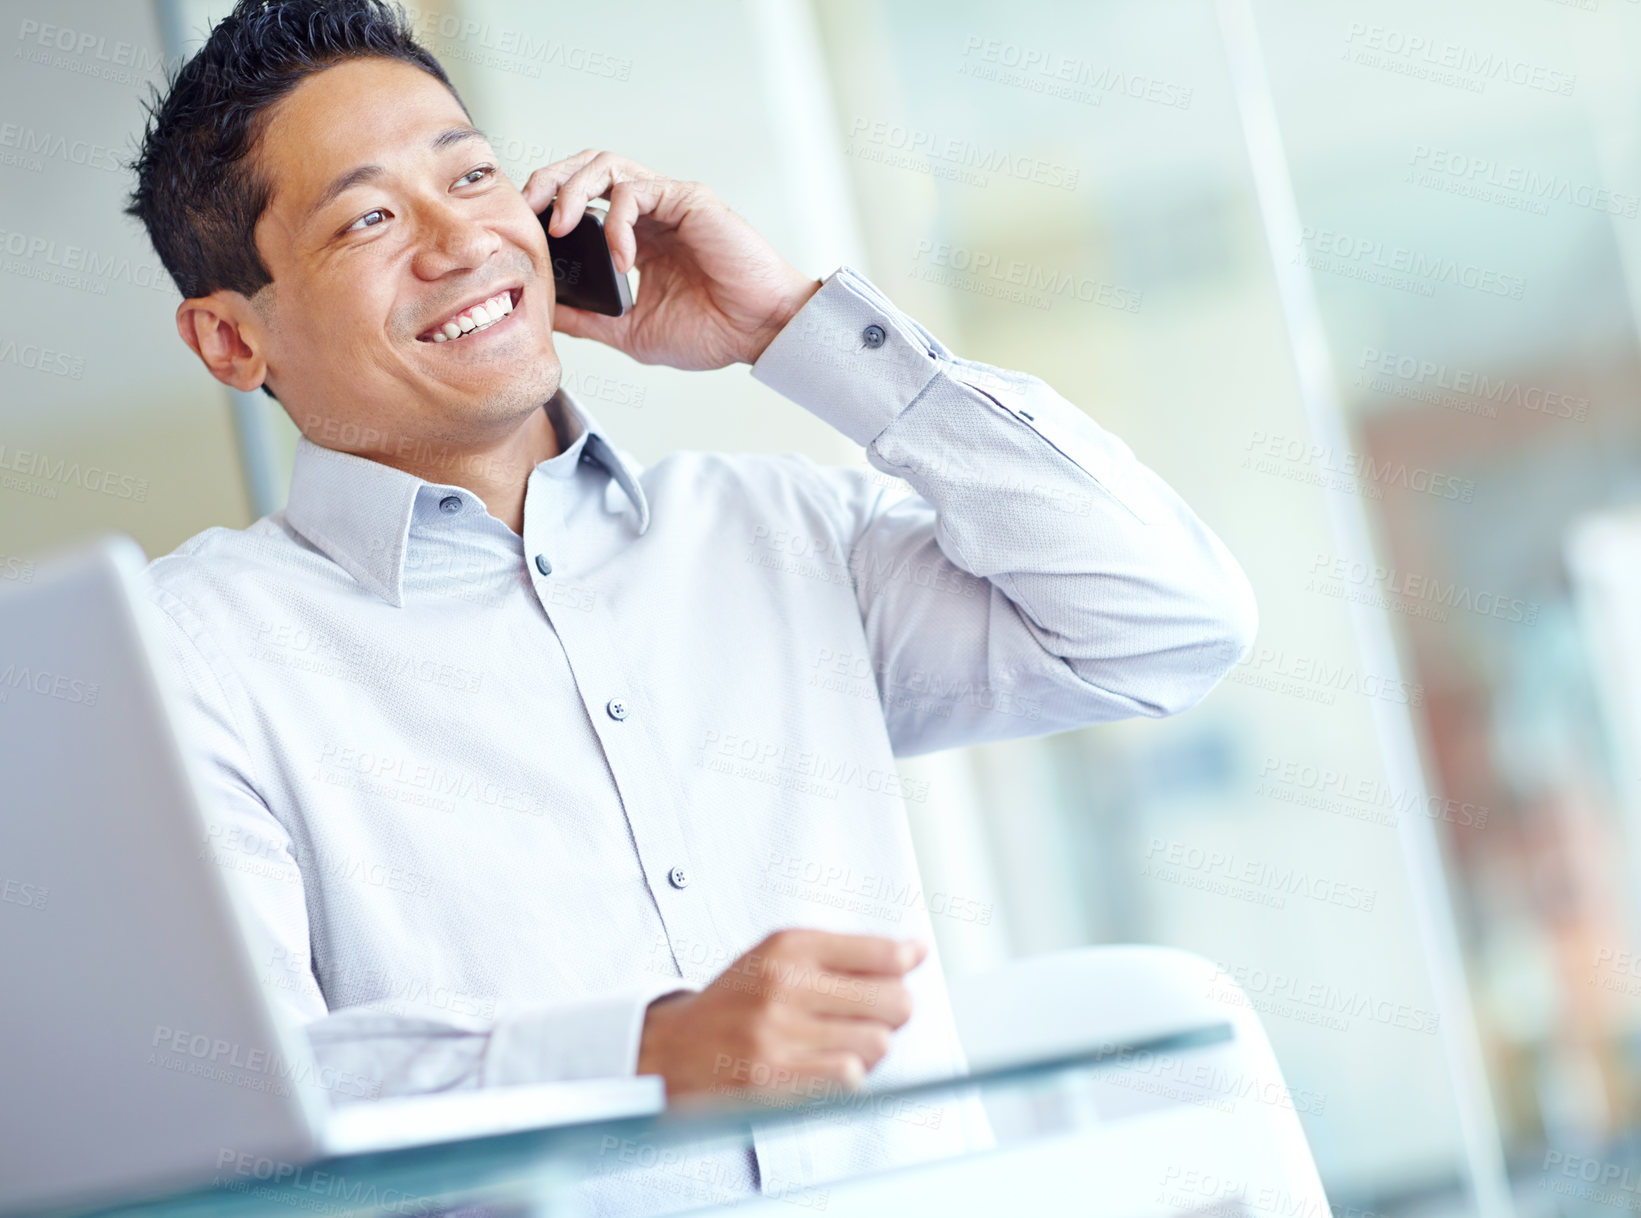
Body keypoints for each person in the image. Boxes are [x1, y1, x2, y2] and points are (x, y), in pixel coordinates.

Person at [124, 1, 1258, 1211]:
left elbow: (1167, 620)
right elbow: (241, 1108)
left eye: (476, 174)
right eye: (370, 218)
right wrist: (643, 1054)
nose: (462, 240)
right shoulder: (186, 663)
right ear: (230, 341)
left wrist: (792, 325)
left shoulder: (780, 534)